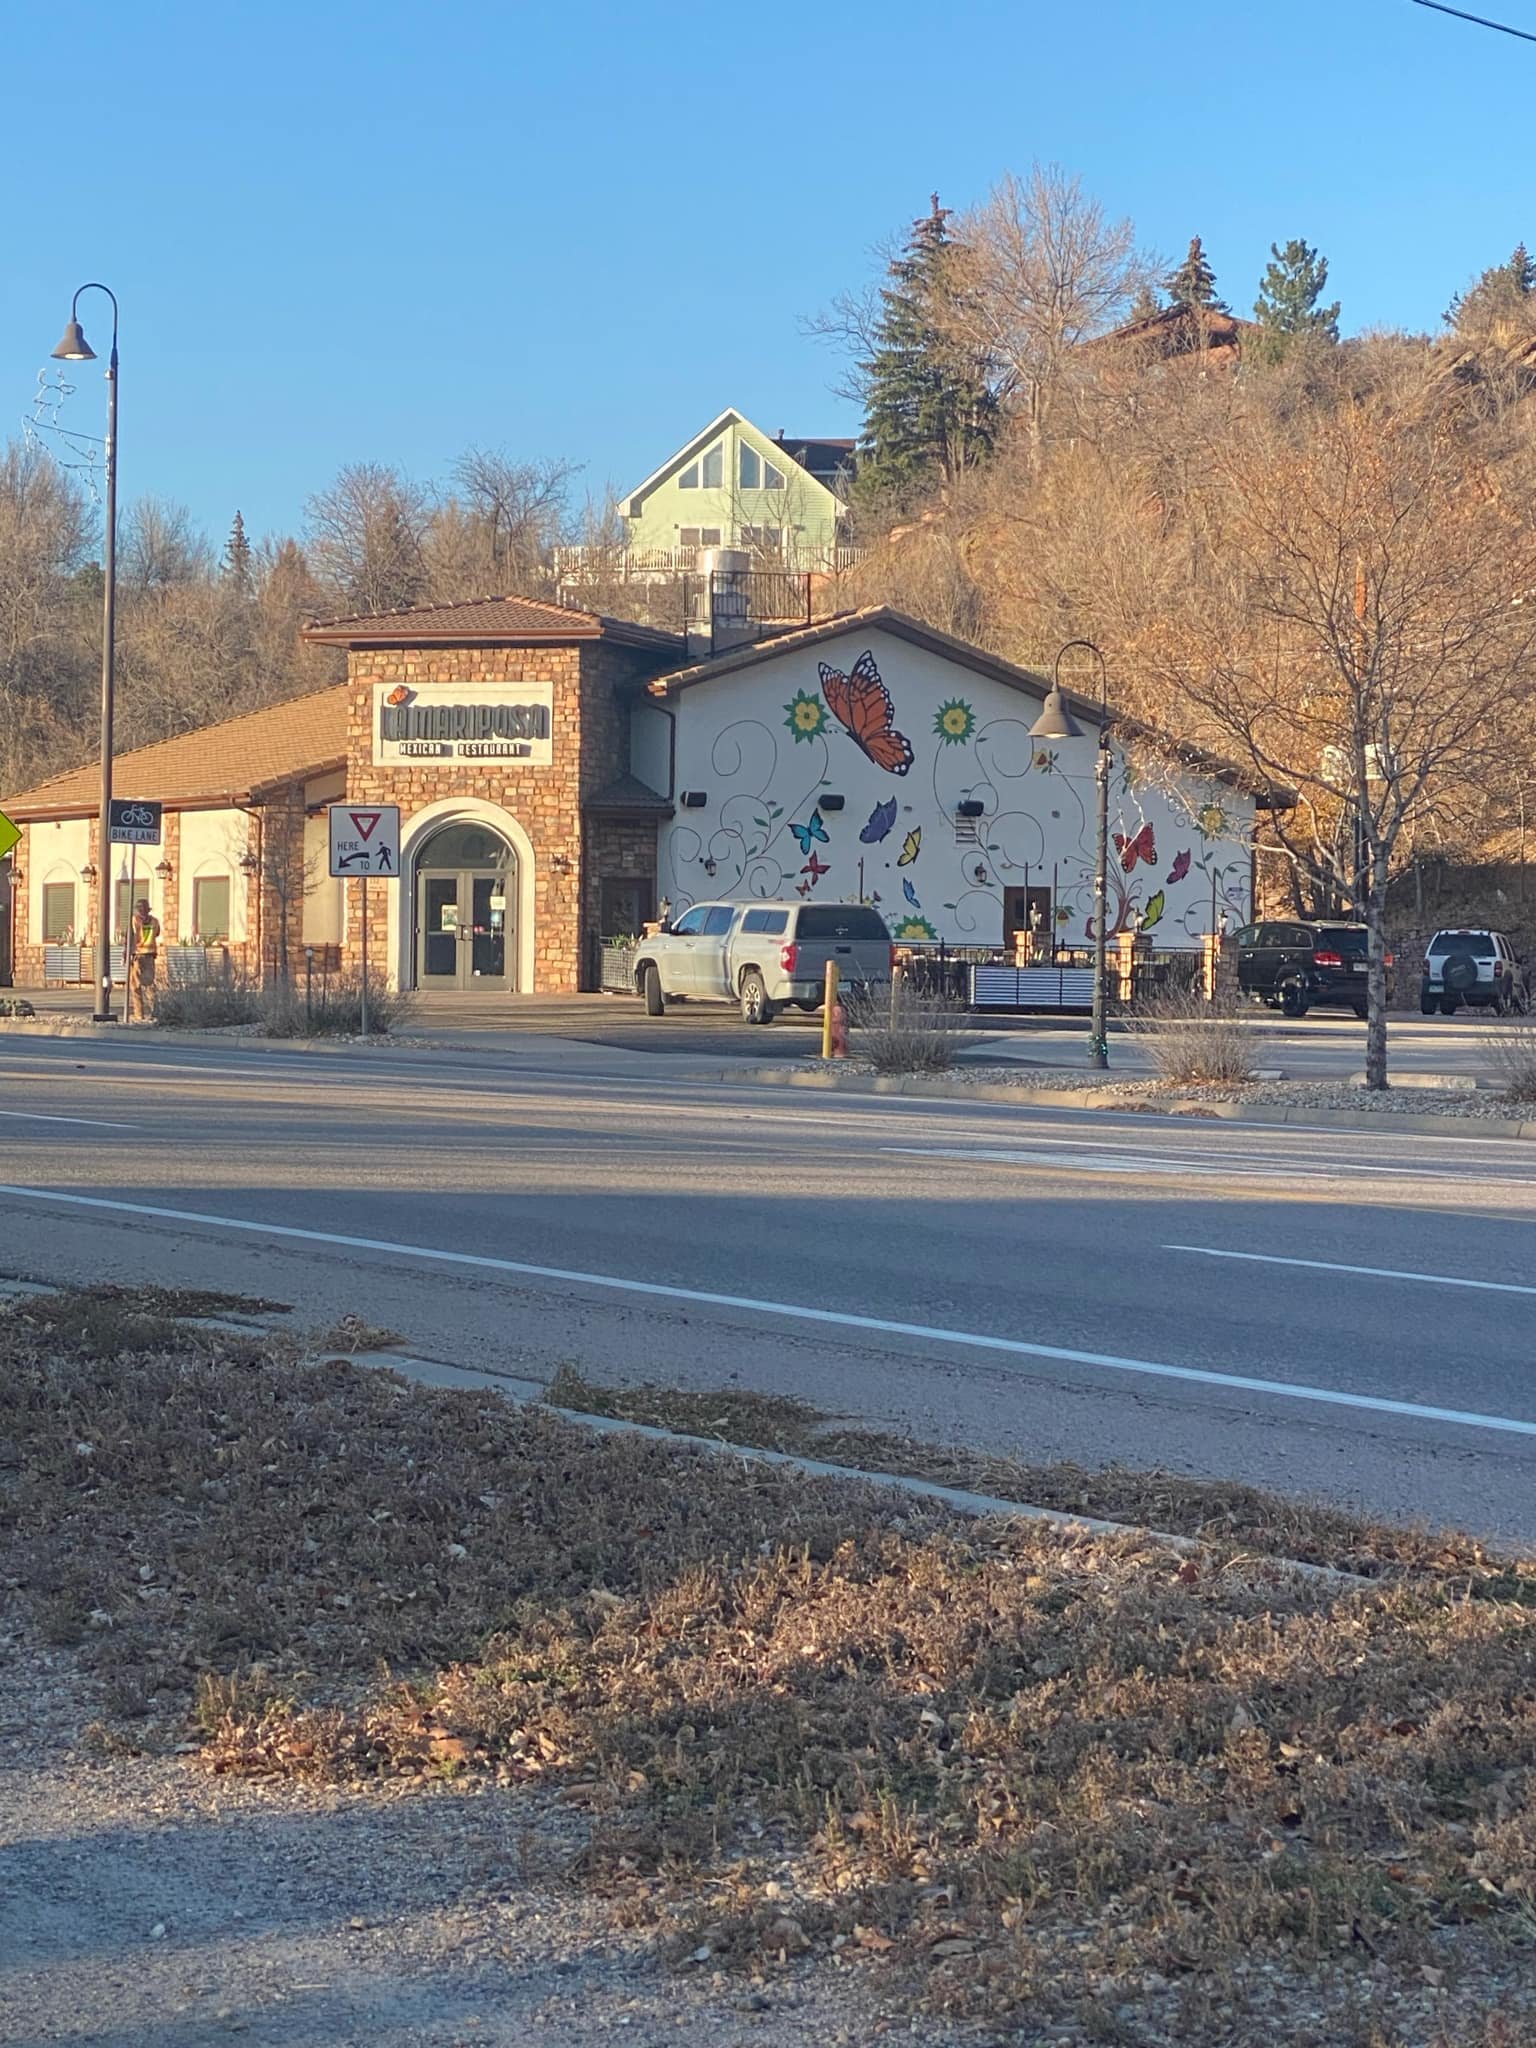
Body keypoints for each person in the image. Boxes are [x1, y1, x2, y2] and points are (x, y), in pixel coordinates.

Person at [129, 897, 160, 1021]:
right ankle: (154, 1011)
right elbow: (157, 933)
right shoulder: (155, 921)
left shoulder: (135, 921)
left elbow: (132, 937)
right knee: (149, 985)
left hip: (138, 954)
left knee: (135, 986)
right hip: (150, 954)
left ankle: (139, 1014)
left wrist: (127, 953)